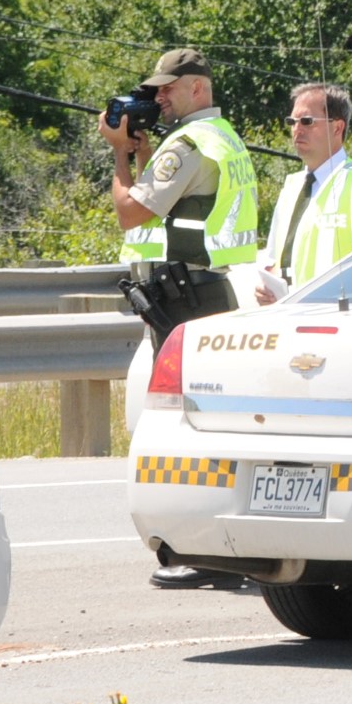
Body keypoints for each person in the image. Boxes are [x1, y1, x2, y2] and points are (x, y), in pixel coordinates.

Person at [100, 48, 259, 590]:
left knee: (191, 426)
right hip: (207, 288)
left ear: (197, 88)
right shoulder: (223, 137)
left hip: (186, 294)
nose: (158, 97)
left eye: (168, 88)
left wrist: (119, 156)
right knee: (210, 421)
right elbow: (173, 206)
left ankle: (210, 553)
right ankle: (225, 548)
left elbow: (132, 212)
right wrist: (145, 158)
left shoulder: (189, 143)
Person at [255, 82, 352, 303]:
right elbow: (273, 261)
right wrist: (266, 288)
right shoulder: (291, 186)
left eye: (307, 122)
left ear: (337, 128)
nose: (296, 129)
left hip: (338, 322)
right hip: (286, 316)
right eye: (292, 122)